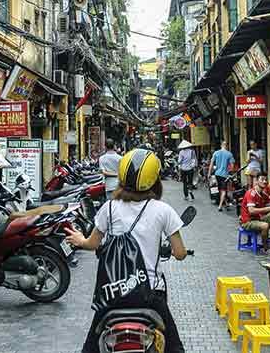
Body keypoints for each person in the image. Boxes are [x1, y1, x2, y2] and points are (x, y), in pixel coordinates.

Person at [64, 149, 187, 353]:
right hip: (151, 294)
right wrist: (174, 252)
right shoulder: (163, 210)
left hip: (114, 292)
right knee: (175, 347)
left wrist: (79, 239)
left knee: (90, 347)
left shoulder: (109, 208)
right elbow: (180, 253)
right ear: (154, 179)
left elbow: (92, 243)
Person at [209, 140, 235, 212]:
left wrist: (209, 173)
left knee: (221, 189)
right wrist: (230, 173)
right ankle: (220, 206)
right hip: (224, 175)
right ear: (227, 146)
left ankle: (226, 204)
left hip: (217, 174)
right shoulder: (229, 154)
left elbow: (211, 164)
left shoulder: (216, 153)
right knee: (223, 190)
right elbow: (232, 166)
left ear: (221, 145)